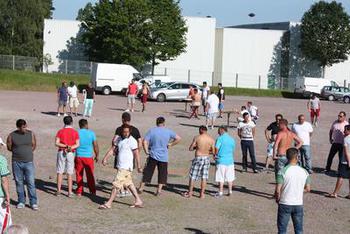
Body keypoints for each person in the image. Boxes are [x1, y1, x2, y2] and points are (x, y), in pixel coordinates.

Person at [100, 125, 143, 209]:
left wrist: (138, 166)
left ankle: (109, 203)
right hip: (121, 166)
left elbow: (136, 154)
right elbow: (113, 149)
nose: (126, 133)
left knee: (116, 184)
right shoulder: (118, 139)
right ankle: (138, 200)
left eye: (127, 132)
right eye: (124, 132)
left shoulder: (132, 141)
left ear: (130, 131)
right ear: (122, 131)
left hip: (126, 167)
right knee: (129, 183)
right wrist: (105, 158)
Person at [138, 117, 181, 196]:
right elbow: (178, 138)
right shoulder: (168, 131)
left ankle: (141, 188)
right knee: (162, 173)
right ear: (164, 123)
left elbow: (145, 141)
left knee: (147, 171)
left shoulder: (152, 131)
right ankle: (159, 190)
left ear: (156, 123)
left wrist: (146, 151)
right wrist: (171, 144)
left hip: (153, 154)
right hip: (164, 156)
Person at [275, 148, 311, 234]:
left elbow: (277, 190)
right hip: (298, 204)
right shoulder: (305, 172)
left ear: (287, 157)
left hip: (285, 203)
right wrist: (298, 190)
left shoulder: (282, 171)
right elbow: (308, 189)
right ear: (297, 157)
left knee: (282, 230)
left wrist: (277, 198)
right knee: (299, 230)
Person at [6, 119, 38, 210]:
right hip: (16, 162)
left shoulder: (31, 134)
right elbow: (9, 147)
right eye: (23, 127)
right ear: (18, 127)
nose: (25, 128)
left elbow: (34, 144)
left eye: (25, 126)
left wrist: (28, 152)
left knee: (31, 182)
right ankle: (21, 201)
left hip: (29, 162)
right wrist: (17, 152)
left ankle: (33, 202)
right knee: (19, 182)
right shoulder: (11, 135)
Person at [182, 126, 215, 199]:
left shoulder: (197, 137)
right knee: (204, 177)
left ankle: (190, 192)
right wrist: (206, 151)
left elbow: (190, 148)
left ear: (201, 130)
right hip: (206, 158)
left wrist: (196, 147)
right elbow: (213, 152)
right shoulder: (211, 139)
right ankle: (202, 194)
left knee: (193, 176)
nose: (199, 132)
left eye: (199, 130)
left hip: (198, 157)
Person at [55, 116, 80, 197]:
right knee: (70, 172)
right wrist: (70, 147)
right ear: (72, 122)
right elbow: (77, 144)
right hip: (70, 152)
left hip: (62, 151)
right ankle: (69, 192)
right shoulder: (75, 132)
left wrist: (65, 146)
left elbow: (57, 143)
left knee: (60, 170)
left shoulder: (60, 131)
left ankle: (58, 190)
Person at [75, 119, 99, 196]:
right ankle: (92, 191)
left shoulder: (76, 133)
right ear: (86, 125)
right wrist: (97, 155)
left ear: (79, 125)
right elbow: (95, 145)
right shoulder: (91, 133)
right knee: (90, 175)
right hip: (88, 157)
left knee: (79, 174)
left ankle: (79, 191)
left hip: (79, 156)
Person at [326, 125, 350, 198]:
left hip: (345, 162)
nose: (343, 131)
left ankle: (335, 193)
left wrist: (349, 162)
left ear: (349, 131)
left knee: (340, 177)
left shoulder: (346, 139)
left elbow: (346, 152)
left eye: (345, 130)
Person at [214, 126, 236, 197]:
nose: (218, 132)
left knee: (221, 177)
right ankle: (230, 191)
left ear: (221, 130)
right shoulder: (232, 139)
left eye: (218, 130)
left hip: (221, 160)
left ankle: (220, 191)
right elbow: (232, 149)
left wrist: (215, 155)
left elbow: (216, 149)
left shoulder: (220, 139)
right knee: (230, 177)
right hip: (230, 160)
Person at [0, 142, 11, 232]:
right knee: (4, 222)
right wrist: (7, 195)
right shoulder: (1, 160)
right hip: (0, 196)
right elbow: (3, 179)